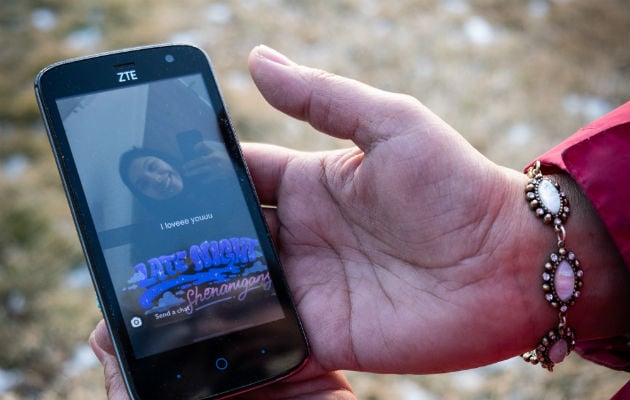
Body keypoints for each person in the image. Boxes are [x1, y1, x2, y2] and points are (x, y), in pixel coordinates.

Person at [90, 45, 630, 399]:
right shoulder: (161, 235)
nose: (157, 178)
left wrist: (507, 238)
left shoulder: (222, 179)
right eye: (144, 181)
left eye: (155, 166)